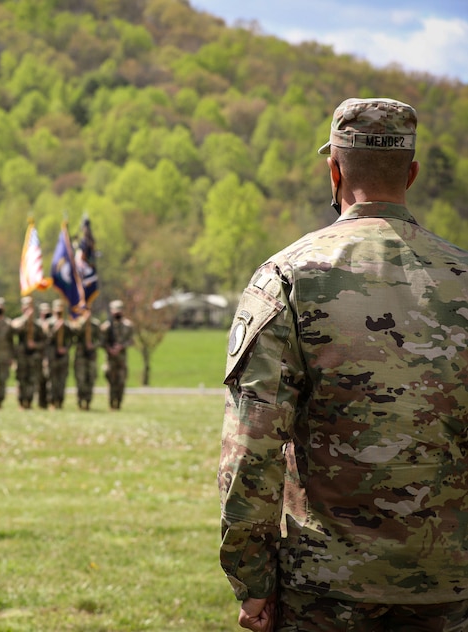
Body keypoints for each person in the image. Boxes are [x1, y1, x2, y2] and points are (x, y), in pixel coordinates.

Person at [219, 97, 468, 632]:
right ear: (413, 173)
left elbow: (252, 448)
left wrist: (253, 581)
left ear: (334, 170)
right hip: (452, 586)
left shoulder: (289, 278)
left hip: (325, 591)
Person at [12, 296, 47, 409]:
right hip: (21, 357)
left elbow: (44, 342)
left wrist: (35, 345)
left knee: (32, 380)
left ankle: (30, 401)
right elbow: (15, 330)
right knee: (21, 379)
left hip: (33, 357)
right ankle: (21, 401)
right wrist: (26, 318)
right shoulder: (18, 322)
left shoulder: (37, 326)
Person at [101, 299, 133, 410]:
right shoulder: (106, 327)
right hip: (110, 359)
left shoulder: (128, 325)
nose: (117, 313)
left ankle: (119, 403)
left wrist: (121, 346)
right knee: (111, 381)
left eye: (119, 311)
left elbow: (131, 341)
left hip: (122, 359)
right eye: (115, 311)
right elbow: (102, 342)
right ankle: (111, 404)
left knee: (121, 381)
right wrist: (109, 349)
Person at [73, 307, 101, 410]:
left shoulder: (95, 324)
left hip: (91, 357)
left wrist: (93, 345)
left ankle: (88, 402)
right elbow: (75, 334)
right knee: (81, 380)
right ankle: (80, 401)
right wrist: (85, 321)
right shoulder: (78, 323)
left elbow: (101, 340)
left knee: (91, 379)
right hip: (80, 357)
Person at [47, 299, 72, 409]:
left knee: (62, 380)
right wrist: (56, 328)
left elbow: (71, 339)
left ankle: (60, 401)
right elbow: (46, 339)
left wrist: (65, 348)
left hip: (63, 357)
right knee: (52, 380)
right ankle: (52, 401)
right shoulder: (48, 323)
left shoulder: (67, 324)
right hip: (52, 357)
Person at [37, 301, 52, 409]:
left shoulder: (53, 324)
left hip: (50, 356)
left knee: (49, 380)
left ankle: (49, 401)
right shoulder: (35, 324)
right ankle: (40, 402)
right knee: (39, 381)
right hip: (38, 356)